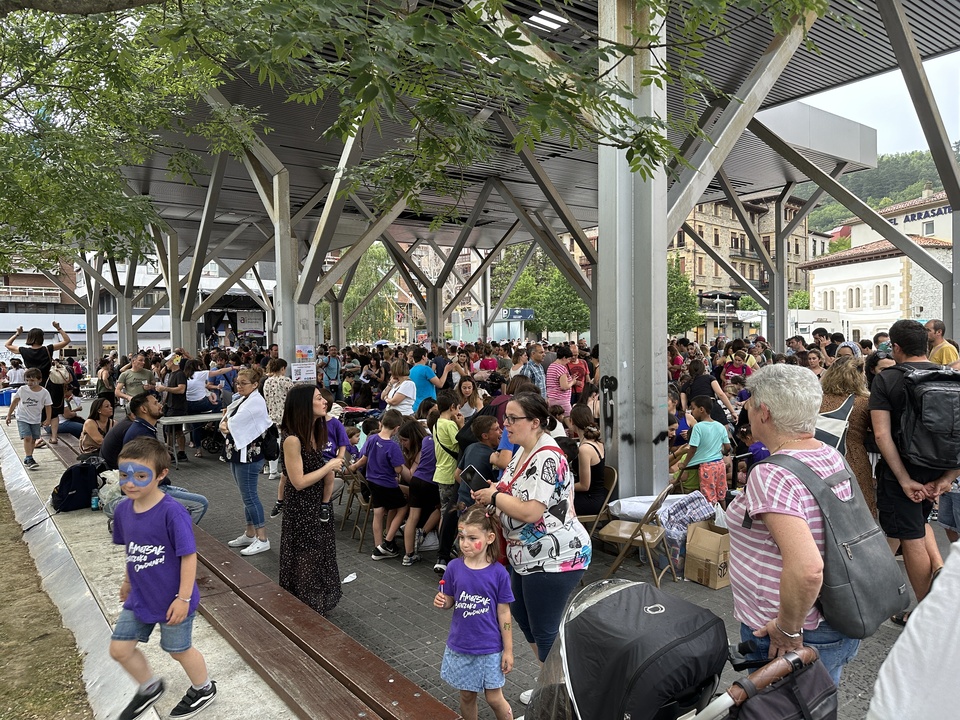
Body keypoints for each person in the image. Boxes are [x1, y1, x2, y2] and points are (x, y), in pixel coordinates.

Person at [726, 364, 860, 685]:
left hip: (788, 629)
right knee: (817, 702)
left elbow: (808, 568)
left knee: (779, 706)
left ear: (764, 412)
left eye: (750, 402)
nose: (746, 410)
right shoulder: (828, 454)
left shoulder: (772, 473)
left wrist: (787, 629)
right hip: (833, 617)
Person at [471, 391, 591, 706]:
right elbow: (512, 492)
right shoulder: (524, 451)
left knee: (545, 629)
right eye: (505, 418)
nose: (505, 425)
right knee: (525, 619)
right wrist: (492, 493)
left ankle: (564, 698)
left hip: (554, 556)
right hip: (525, 555)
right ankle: (551, 684)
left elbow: (531, 511)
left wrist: (495, 497)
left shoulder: (547, 456)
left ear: (535, 422)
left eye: (513, 419)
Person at [109, 439, 218, 720]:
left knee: (178, 650)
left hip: (173, 598)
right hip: (140, 596)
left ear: (161, 475)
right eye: (124, 475)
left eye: (140, 475)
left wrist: (183, 598)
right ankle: (149, 687)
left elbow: (188, 557)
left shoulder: (173, 512)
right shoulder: (123, 511)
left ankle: (204, 688)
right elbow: (132, 550)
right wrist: (127, 581)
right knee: (120, 649)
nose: (130, 483)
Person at [869, 319, 955, 624]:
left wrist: (904, 479)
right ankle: (933, 602)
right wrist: (948, 478)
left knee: (912, 537)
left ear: (896, 347)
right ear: (927, 344)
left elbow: (882, 435)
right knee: (918, 527)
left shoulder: (888, 379)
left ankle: (926, 616)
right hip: (938, 468)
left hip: (902, 471)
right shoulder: (948, 375)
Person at [433, 505, 514, 720]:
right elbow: (450, 600)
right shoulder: (453, 567)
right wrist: (443, 601)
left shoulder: (499, 573)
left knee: (494, 698)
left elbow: (504, 614)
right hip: (462, 645)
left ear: (489, 538)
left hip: (490, 648)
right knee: (467, 696)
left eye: (472, 538)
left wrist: (508, 650)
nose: (465, 543)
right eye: (461, 537)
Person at [278, 384, 345, 615]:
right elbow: (297, 481)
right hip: (301, 507)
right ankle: (305, 608)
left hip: (317, 504)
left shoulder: (315, 430)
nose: (325, 401)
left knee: (319, 554)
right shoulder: (292, 439)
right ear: (304, 405)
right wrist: (329, 465)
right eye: (318, 398)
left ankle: (315, 603)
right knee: (305, 556)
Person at [221, 367, 274, 557]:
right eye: (237, 383)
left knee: (250, 496)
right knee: (246, 496)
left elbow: (231, 423)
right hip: (238, 453)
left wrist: (226, 423)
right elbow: (227, 420)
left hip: (249, 456)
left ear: (255, 384)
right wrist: (226, 422)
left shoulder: (255, 402)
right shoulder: (244, 399)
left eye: (244, 383)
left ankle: (263, 538)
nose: (239, 386)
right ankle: (250, 533)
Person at [819, 356, 874, 517]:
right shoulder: (863, 402)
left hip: (820, 460)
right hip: (853, 460)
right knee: (859, 512)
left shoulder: (816, 399)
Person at [349, 409, 408, 560]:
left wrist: (354, 467)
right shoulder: (393, 446)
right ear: (397, 428)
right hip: (387, 483)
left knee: (378, 512)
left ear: (381, 423)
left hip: (372, 481)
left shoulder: (372, 438)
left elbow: (364, 459)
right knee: (402, 508)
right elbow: (398, 469)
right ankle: (387, 542)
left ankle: (378, 546)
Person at [6, 322, 71, 443]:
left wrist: (17, 334)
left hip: (33, 385)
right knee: (54, 412)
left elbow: (7, 345)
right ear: (42, 338)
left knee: (34, 410)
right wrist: (58, 328)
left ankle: (38, 438)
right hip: (50, 384)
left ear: (29, 338)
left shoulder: (24, 351)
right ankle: (54, 437)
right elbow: (67, 341)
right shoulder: (48, 349)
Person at [672, 396, 731, 505]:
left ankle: (711, 515)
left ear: (701, 409)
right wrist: (722, 453)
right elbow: (728, 447)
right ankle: (723, 514)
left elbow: (693, 448)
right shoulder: (720, 426)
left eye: (693, 408)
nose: (691, 411)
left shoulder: (698, 427)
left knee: (709, 497)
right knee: (721, 495)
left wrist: (684, 464)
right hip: (720, 464)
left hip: (707, 467)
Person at [397, 418, 441, 566]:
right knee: (441, 508)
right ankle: (423, 532)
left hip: (416, 480)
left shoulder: (426, 441)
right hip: (431, 482)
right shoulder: (441, 441)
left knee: (412, 517)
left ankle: (408, 555)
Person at [432, 390, 465, 574]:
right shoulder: (450, 425)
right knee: (452, 514)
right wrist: (461, 426)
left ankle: (441, 548)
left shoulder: (437, 423)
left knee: (445, 512)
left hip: (440, 473)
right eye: (458, 407)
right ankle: (448, 546)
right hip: (452, 474)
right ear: (453, 407)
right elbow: (461, 444)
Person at [184, 359, 234, 457]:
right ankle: (210, 422)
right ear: (196, 366)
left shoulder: (184, 376)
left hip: (189, 405)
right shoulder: (199, 374)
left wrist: (209, 394)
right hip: (200, 403)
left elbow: (201, 388)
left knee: (195, 427)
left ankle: (198, 450)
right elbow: (219, 371)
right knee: (219, 404)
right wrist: (232, 368)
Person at [5, 368, 51, 470]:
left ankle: (29, 457)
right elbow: (15, 402)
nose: (29, 383)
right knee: (27, 437)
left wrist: (48, 419)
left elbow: (48, 406)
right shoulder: (22, 389)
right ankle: (29, 458)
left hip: (35, 419)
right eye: (27, 380)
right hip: (22, 417)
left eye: (32, 380)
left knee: (33, 439)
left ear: (39, 380)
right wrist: (9, 415)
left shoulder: (44, 392)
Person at [570, 405, 606, 516]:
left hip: (591, 500)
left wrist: (565, 486)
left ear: (572, 421)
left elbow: (584, 486)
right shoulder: (597, 442)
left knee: (554, 505)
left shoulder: (584, 449)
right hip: (597, 496)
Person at [680, 359, 737, 425]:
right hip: (712, 407)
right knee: (723, 429)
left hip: (697, 411)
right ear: (703, 369)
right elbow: (720, 394)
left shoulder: (685, 386)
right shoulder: (709, 378)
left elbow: (684, 407)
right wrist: (732, 411)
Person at [156, 353, 188, 462]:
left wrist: (165, 388)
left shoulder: (179, 374)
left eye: (168, 362)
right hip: (171, 405)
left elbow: (181, 389)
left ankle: (171, 453)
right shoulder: (172, 374)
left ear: (173, 361)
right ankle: (178, 452)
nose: (166, 364)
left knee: (171, 431)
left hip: (177, 407)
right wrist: (163, 402)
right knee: (174, 431)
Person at [410, 346, 453, 412]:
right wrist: (446, 371)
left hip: (415, 405)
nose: (427, 358)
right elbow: (440, 384)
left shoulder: (410, 371)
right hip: (428, 406)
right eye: (426, 356)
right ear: (423, 357)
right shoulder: (426, 369)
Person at [545, 345, 575, 416]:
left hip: (551, 399)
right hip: (562, 400)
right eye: (568, 359)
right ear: (564, 357)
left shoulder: (551, 366)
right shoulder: (561, 368)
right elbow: (564, 386)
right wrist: (573, 382)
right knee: (568, 419)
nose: (569, 362)